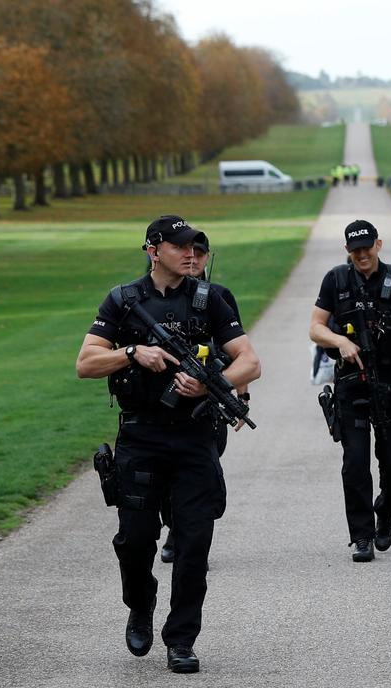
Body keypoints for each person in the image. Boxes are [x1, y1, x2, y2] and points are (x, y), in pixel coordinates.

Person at [76, 215, 261, 674]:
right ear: (152, 249)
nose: (191, 254)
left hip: (195, 438)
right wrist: (133, 353)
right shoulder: (123, 300)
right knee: (135, 541)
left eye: (196, 247)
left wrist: (210, 383)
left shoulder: (210, 299)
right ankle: (140, 605)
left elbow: (250, 362)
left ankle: (181, 639)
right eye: (181, 246)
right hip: (140, 435)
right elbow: (85, 363)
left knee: (194, 542)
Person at [309, 219, 391, 562]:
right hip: (351, 380)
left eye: (367, 247)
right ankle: (361, 536)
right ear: (348, 251)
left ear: (378, 244)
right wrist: (340, 342)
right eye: (355, 250)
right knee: (355, 463)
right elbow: (315, 328)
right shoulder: (336, 279)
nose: (362, 254)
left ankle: (387, 508)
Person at [157, 235, 248, 565]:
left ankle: (190, 536)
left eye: (200, 253)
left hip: (208, 396)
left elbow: (242, 351)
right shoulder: (151, 298)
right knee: (165, 472)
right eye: (187, 252)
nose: (193, 258)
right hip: (164, 396)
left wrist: (242, 394)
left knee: (202, 467)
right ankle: (176, 528)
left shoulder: (219, 297)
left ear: (208, 257)